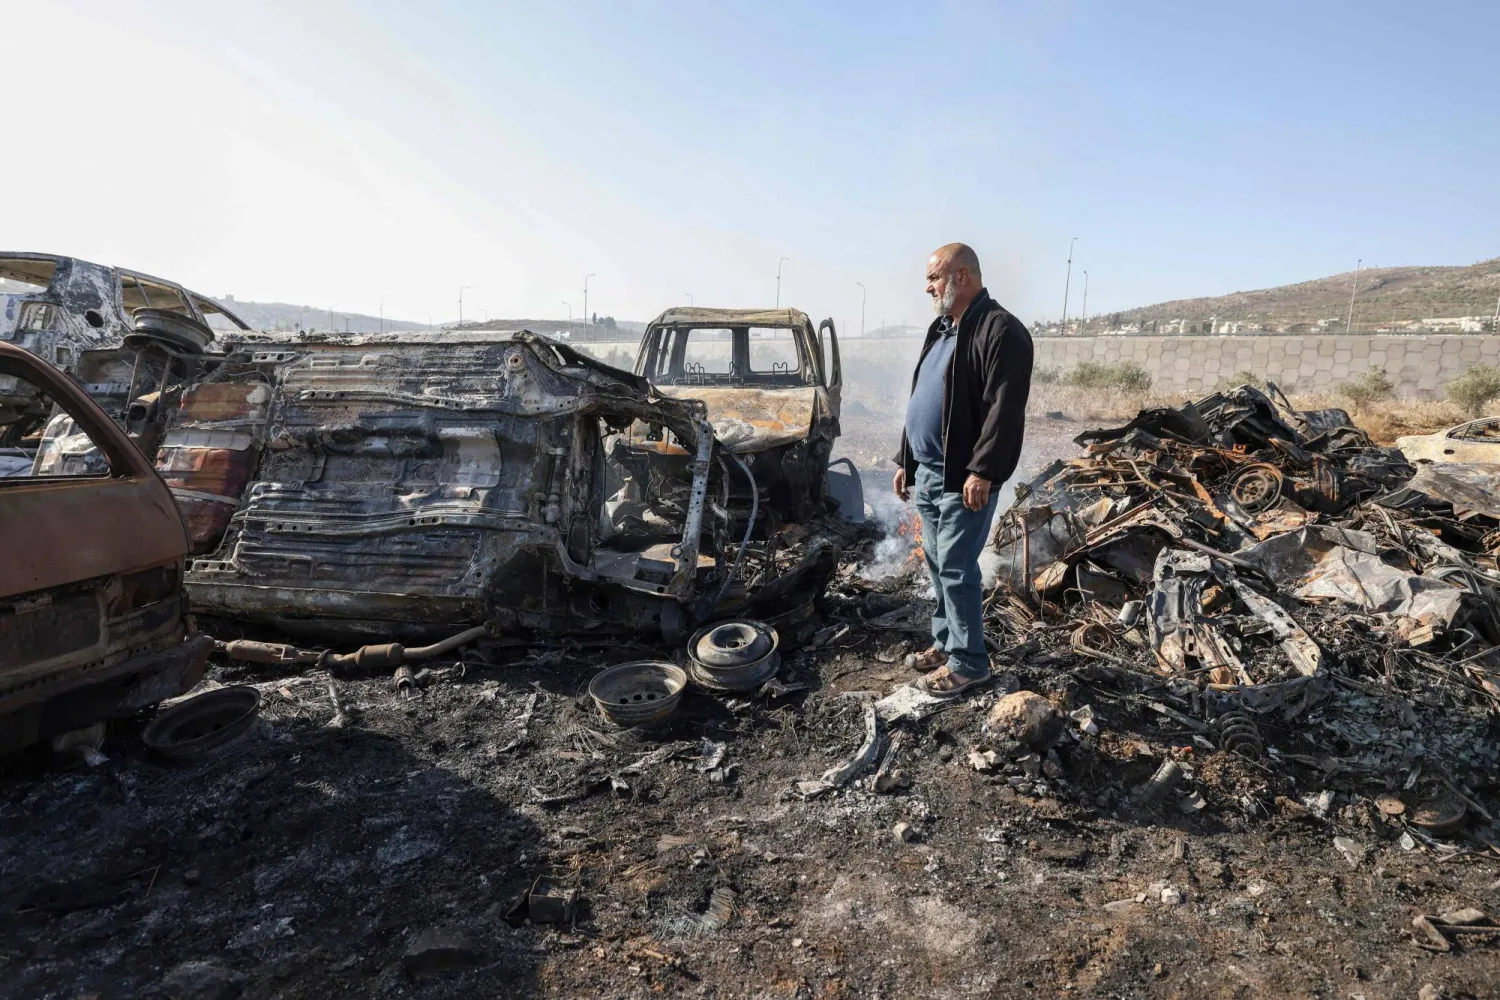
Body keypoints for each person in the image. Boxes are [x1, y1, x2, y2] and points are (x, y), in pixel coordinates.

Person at [893, 243, 1033, 696]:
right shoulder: (942, 330)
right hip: (931, 471)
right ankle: (948, 642)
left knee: (955, 565)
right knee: (936, 564)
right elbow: (923, 396)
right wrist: (906, 460)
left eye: (934, 277)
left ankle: (971, 662)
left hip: (963, 477)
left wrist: (984, 469)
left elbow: (1003, 408)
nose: (928, 286)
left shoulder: (1001, 330)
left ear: (964, 276)